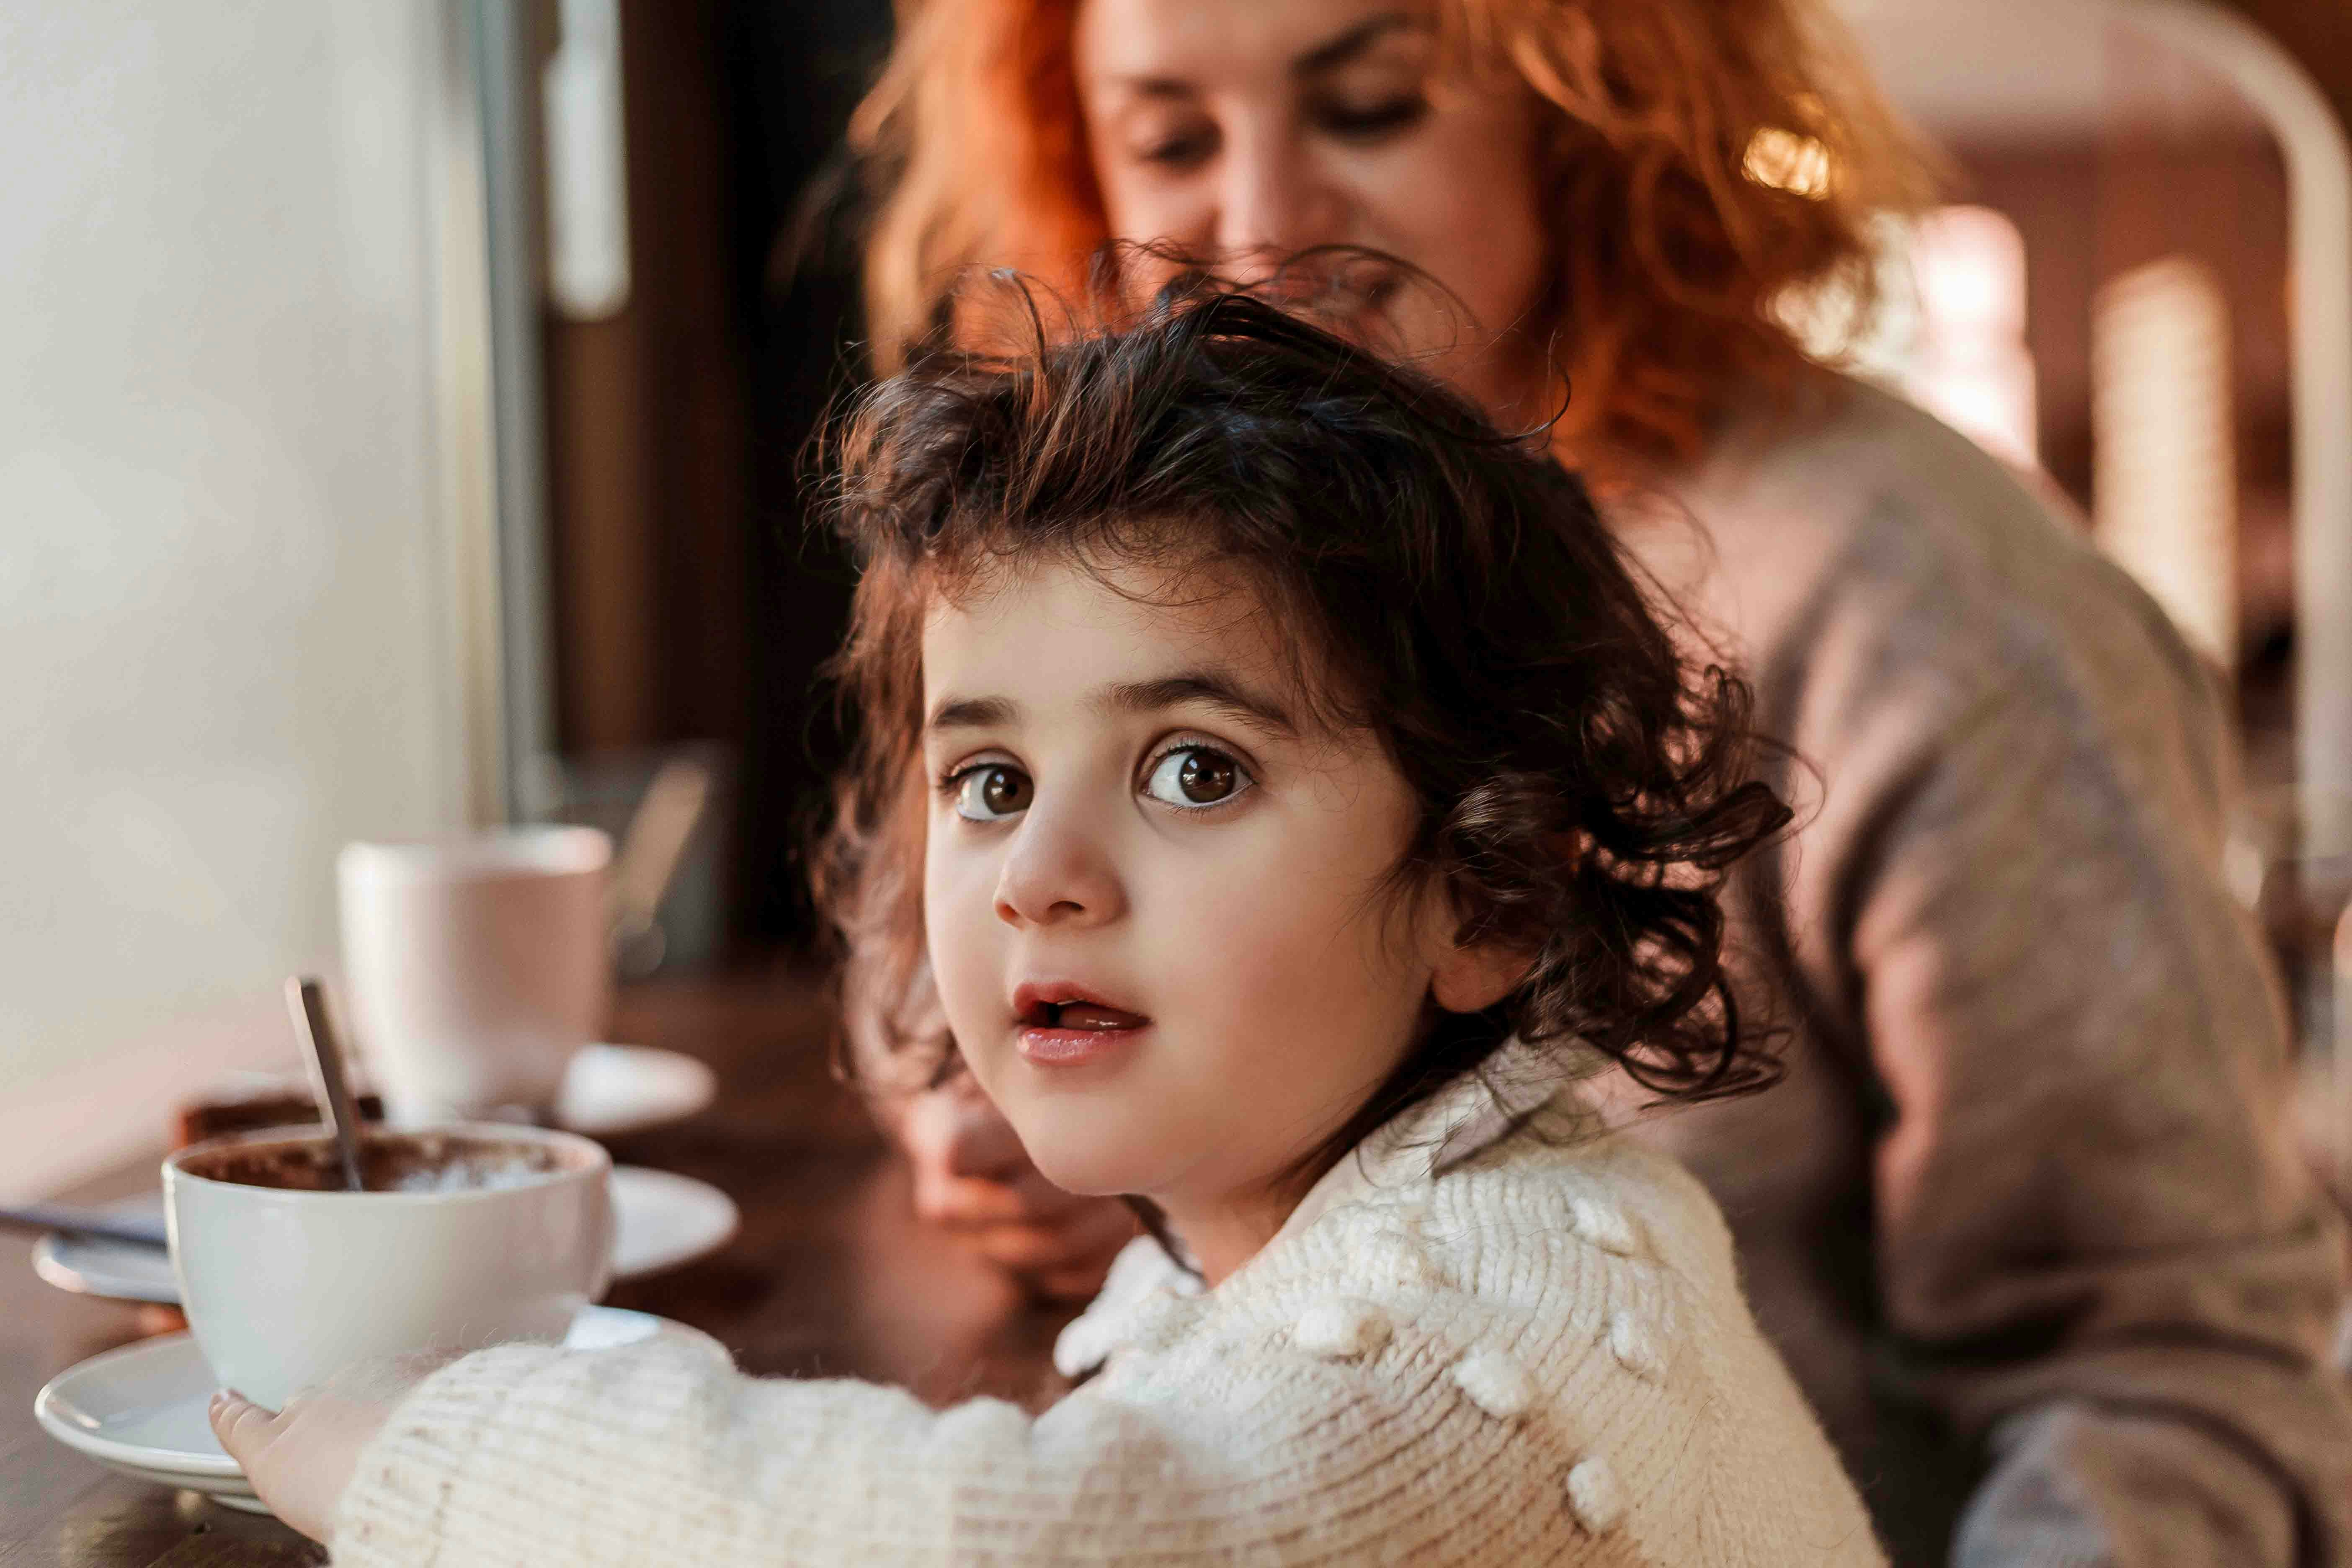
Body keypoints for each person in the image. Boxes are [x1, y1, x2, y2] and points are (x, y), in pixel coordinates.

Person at [843, 1, 2352, 1563]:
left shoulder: (1930, 605)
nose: (1261, 222)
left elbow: (2181, 1375)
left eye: (1369, 107)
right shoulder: (1148, 566)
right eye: (1170, 139)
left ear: (1598, 108)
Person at [214, 285, 1885, 1564]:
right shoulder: (1380, 1226)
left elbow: (1014, 1541)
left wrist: (426, 1459)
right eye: (992, 781)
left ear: (1491, 896)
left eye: (1193, 768)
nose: (1037, 874)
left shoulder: (1484, 1349)